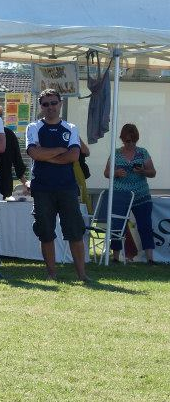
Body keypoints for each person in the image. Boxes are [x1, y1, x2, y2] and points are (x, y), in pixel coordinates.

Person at [26, 89, 88, 281]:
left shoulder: (71, 127)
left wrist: (47, 155)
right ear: (40, 106)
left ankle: (82, 275)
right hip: (42, 188)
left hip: (67, 187)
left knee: (75, 232)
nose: (50, 107)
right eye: (46, 104)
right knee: (46, 232)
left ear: (60, 103)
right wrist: (60, 151)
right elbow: (34, 154)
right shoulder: (33, 127)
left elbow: (74, 156)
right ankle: (52, 274)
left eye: (53, 103)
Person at [104, 123, 157, 264]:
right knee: (117, 225)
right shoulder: (116, 153)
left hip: (141, 194)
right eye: (127, 141)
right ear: (122, 139)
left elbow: (153, 172)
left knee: (145, 225)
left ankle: (150, 258)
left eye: (133, 140)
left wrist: (143, 171)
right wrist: (116, 173)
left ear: (136, 139)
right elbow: (106, 173)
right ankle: (115, 257)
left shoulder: (142, 152)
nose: (130, 144)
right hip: (120, 195)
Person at [0, 105, 28, 199]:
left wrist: (25, 182)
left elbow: (17, 160)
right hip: (5, 184)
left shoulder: (9, 134)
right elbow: (17, 161)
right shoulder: (8, 134)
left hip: (4, 184)